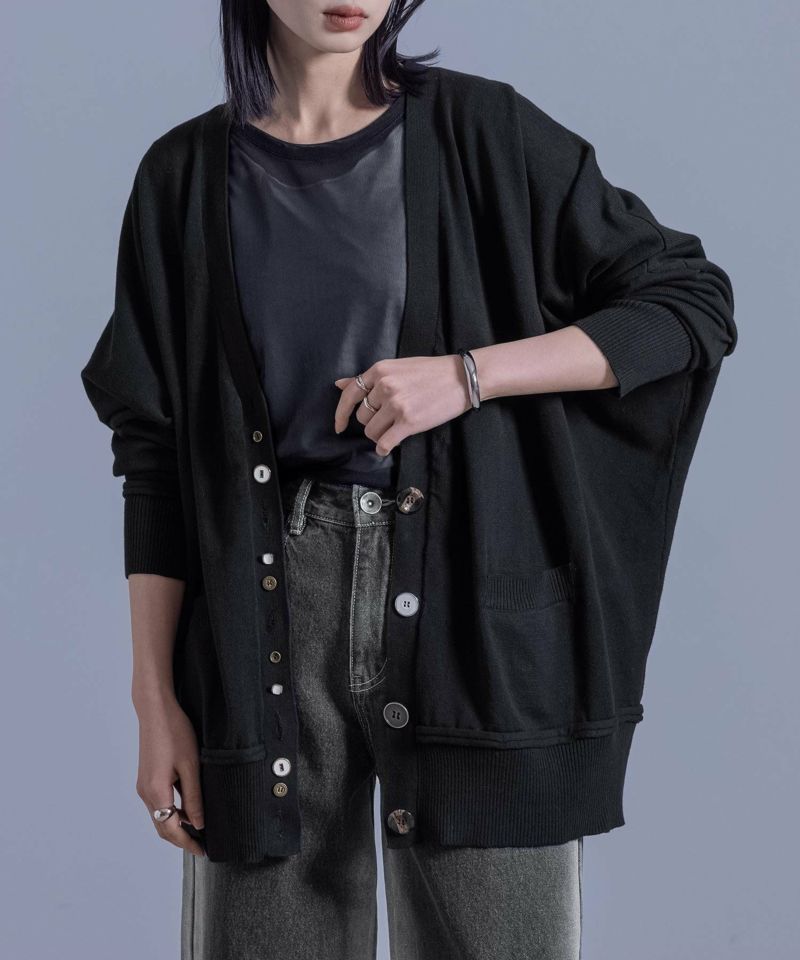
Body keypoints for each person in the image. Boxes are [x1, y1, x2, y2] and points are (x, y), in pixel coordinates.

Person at [79, 2, 737, 958]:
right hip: (259, 626)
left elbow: (689, 303)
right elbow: (155, 460)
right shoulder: (181, 177)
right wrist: (156, 700)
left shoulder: (483, 132)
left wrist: (468, 376)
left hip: (471, 616)